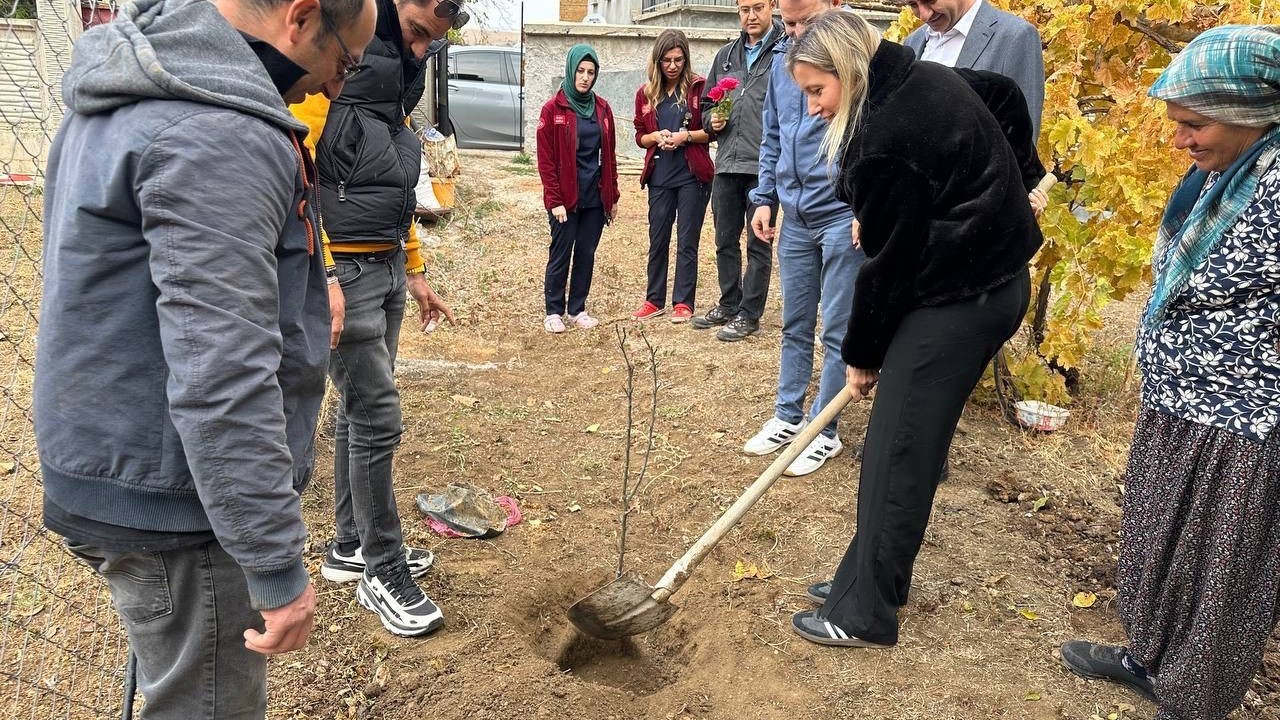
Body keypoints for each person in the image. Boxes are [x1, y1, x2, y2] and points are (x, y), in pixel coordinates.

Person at [35, 0, 375, 714]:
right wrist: (276, 564)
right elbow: (222, 371)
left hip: (110, 464)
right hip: (178, 503)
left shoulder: (133, 88)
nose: (335, 88)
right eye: (342, 62)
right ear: (302, 17)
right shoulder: (216, 132)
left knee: (174, 677)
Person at [782, 10, 1043, 647]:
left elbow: (888, 269)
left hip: (961, 297)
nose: (814, 109)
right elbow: (1001, 96)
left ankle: (864, 612)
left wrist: (862, 354)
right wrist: (1017, 178)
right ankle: (866, 577)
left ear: (849, 70)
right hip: (984, 278)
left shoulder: (883, 137)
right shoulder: (919, 75)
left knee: (899, 449)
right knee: (898, 446)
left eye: (818, 91)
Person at [1060, 26, 1280, 718]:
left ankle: (1194, 701)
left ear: (1251, 115)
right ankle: (1150, 659)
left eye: (1193, 124)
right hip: (1180, 398)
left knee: (1222, 572)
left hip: (1246, 418)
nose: (1179, 139)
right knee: (1160, 545)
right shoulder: (1224, 174)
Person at [290, 0, 466, 638]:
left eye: (434, 42)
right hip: (348, 275)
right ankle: (382, 570)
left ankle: (349, 544)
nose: (423, 49)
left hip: (386, 264)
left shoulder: (399, 70)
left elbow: (391, 174)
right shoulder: (338, 48)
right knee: (377, 415)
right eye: (419, 32)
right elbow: (298, 173)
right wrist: (326, 275)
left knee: (356, 412)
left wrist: (414, 266)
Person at [743, 0, 864, 477]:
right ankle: (788, 416)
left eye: (805, 22)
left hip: (839, 213)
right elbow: (772, 133)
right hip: (794, 214)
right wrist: (765, 196)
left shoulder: (853, 61)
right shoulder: (781, 63)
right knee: (794, 323)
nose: (794, 32)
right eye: (788, 23)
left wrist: (863, 205)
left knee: (835, 329)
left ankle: (823, 431)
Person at [691, 0, 785, 341]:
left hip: (764, 166)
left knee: (758, 242)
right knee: (723, 240)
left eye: (757, 7)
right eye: (744, 9)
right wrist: (710, 121)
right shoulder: (725, 57)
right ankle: (729, 302)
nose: (751, 16)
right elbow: (705, 108)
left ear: (772, 7)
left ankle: (749, 313)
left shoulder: (783, 52)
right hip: (727, 163)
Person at [631, 29, 715, 323]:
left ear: (686, 60)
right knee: (658, 239)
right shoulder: (646, 94)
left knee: (686, 241)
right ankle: (654, 299)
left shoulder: (699, 88)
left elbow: (711, 132)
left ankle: (683, 302)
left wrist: (685, 137)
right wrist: (654, 136)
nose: (672, 66)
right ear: (657, 61)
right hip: (660, 176)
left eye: (679, 59)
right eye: (666, 60)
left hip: (691, 176)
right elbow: (640, 135)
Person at [537, 44, 620, 333]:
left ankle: (577, 308)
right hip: (565, 198)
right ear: (571, 71)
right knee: (561, 251)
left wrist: (612, 195)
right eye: (580, 71)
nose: (585, 77)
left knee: (586, 252)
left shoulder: (602, 109)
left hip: (593, 197)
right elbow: (545, 161)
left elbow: (609, 155)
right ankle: (553, 310)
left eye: (591, 72)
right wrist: (555, 200)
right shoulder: (553, 108)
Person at [898, 0, 1045, 137]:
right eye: (913, 4)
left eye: (930, 0)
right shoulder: (913, 42)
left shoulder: (1015, 36)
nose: (924, 15)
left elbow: (1023, 144)